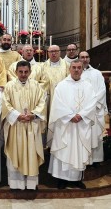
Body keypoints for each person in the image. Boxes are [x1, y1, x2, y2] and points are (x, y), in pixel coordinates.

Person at [48, 60, 97, 189]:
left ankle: (76, 179)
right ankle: (61, 179)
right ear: (69, 69)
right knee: (64, 149)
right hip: (66, 125)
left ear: (82, 69)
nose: (76, 70)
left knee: (79, 150)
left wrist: (81, 115)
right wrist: (70, 116)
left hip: (81, 124)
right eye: (74, 67)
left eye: (79, 68)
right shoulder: (62, 85)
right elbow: (57, 104)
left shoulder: (88, 86)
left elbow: (92, 103)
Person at [2, 61, 47, 190]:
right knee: (15, 153)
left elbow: (42, 103)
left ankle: (31, 184)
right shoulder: (9, 86)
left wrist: (33, 114)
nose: (23, 74)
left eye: (26, 72)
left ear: (30, 72)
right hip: (15, 126)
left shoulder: (36, 86)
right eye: (20, 72)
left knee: (31, 154)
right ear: (16, 72)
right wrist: (17, 115)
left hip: (32, 125)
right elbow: (5, 104)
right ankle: (16, 184)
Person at [79, 51, 108, 166]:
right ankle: (82, 158)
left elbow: (102, 90)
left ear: (89, 59)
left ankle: (95, 160)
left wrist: (91, 104)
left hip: (95, 110)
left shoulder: (97, 73)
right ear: (79, 59)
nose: (85, 59)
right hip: (81, 111)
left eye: (86, 57)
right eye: (82, 57)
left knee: (95, 134)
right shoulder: (75, 72)